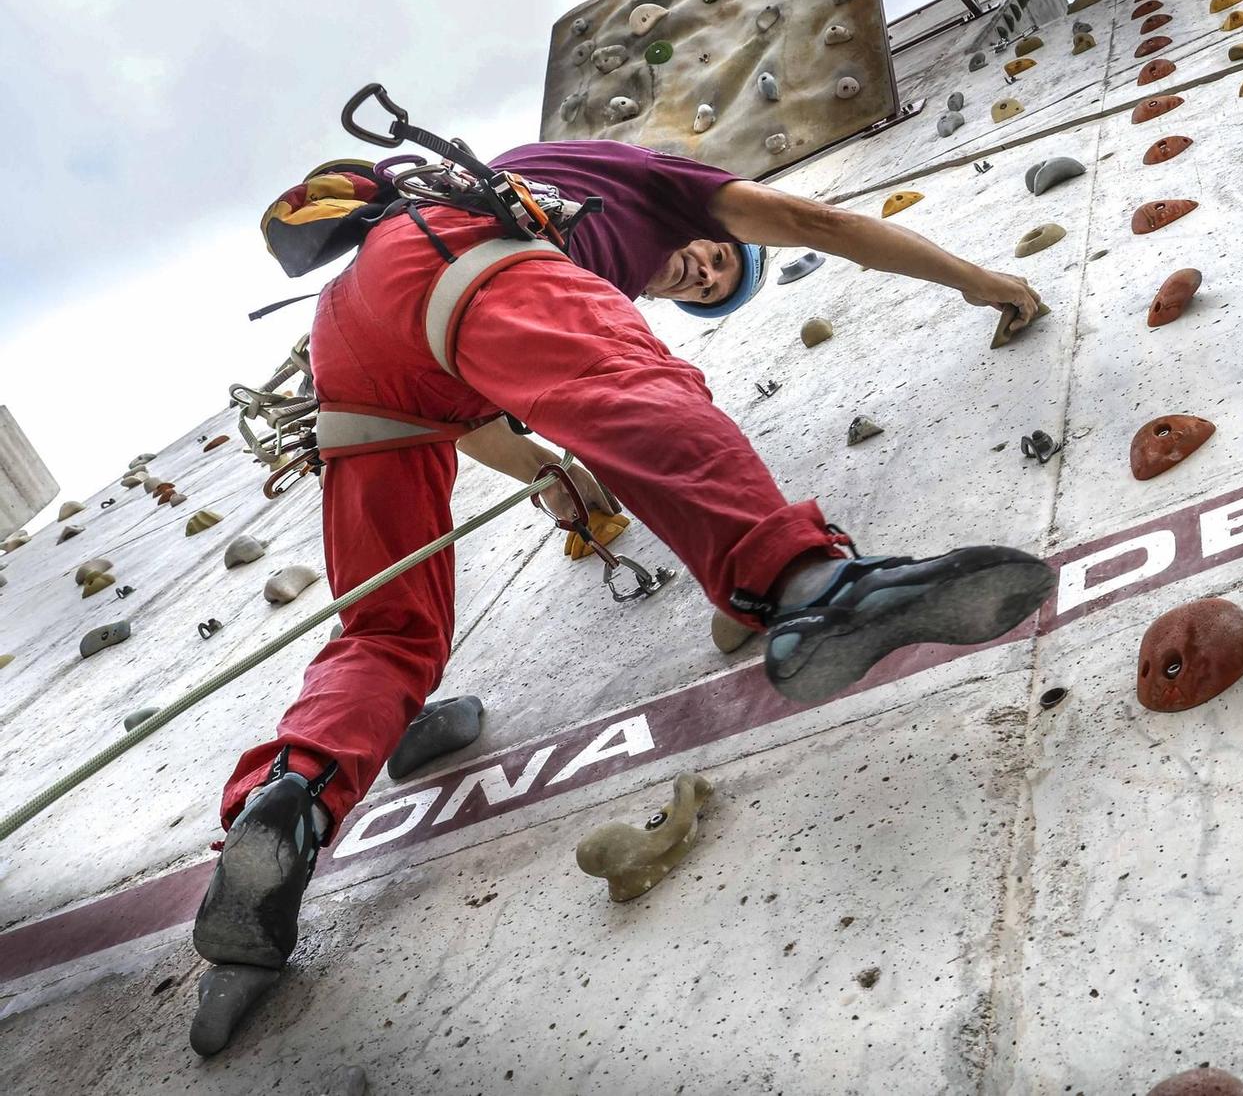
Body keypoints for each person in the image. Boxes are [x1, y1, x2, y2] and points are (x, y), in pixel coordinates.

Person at [191, 137, 1056, 988]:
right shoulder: (654, 183)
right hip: (449, 254)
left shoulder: (549, 261)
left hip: (356, 344)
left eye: (713, 291)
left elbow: (459, 394)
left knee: (385, 628)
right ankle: (813, 586)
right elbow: (806, 219)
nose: (704, 275)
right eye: (719, 260)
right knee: (640, 384)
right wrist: (982, 282)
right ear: (714, 223)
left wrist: (550, 475)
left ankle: (290, 800)